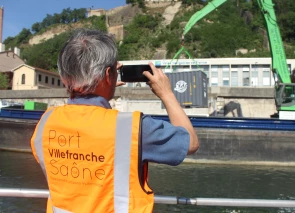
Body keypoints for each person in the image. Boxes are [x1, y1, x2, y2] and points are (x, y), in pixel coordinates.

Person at [30, 29, 199, 213]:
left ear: (63, 77)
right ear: (108, 74)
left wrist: (103, 87)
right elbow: (190, 143)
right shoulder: (134, 128)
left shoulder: (46, 123)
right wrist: (166, 93)